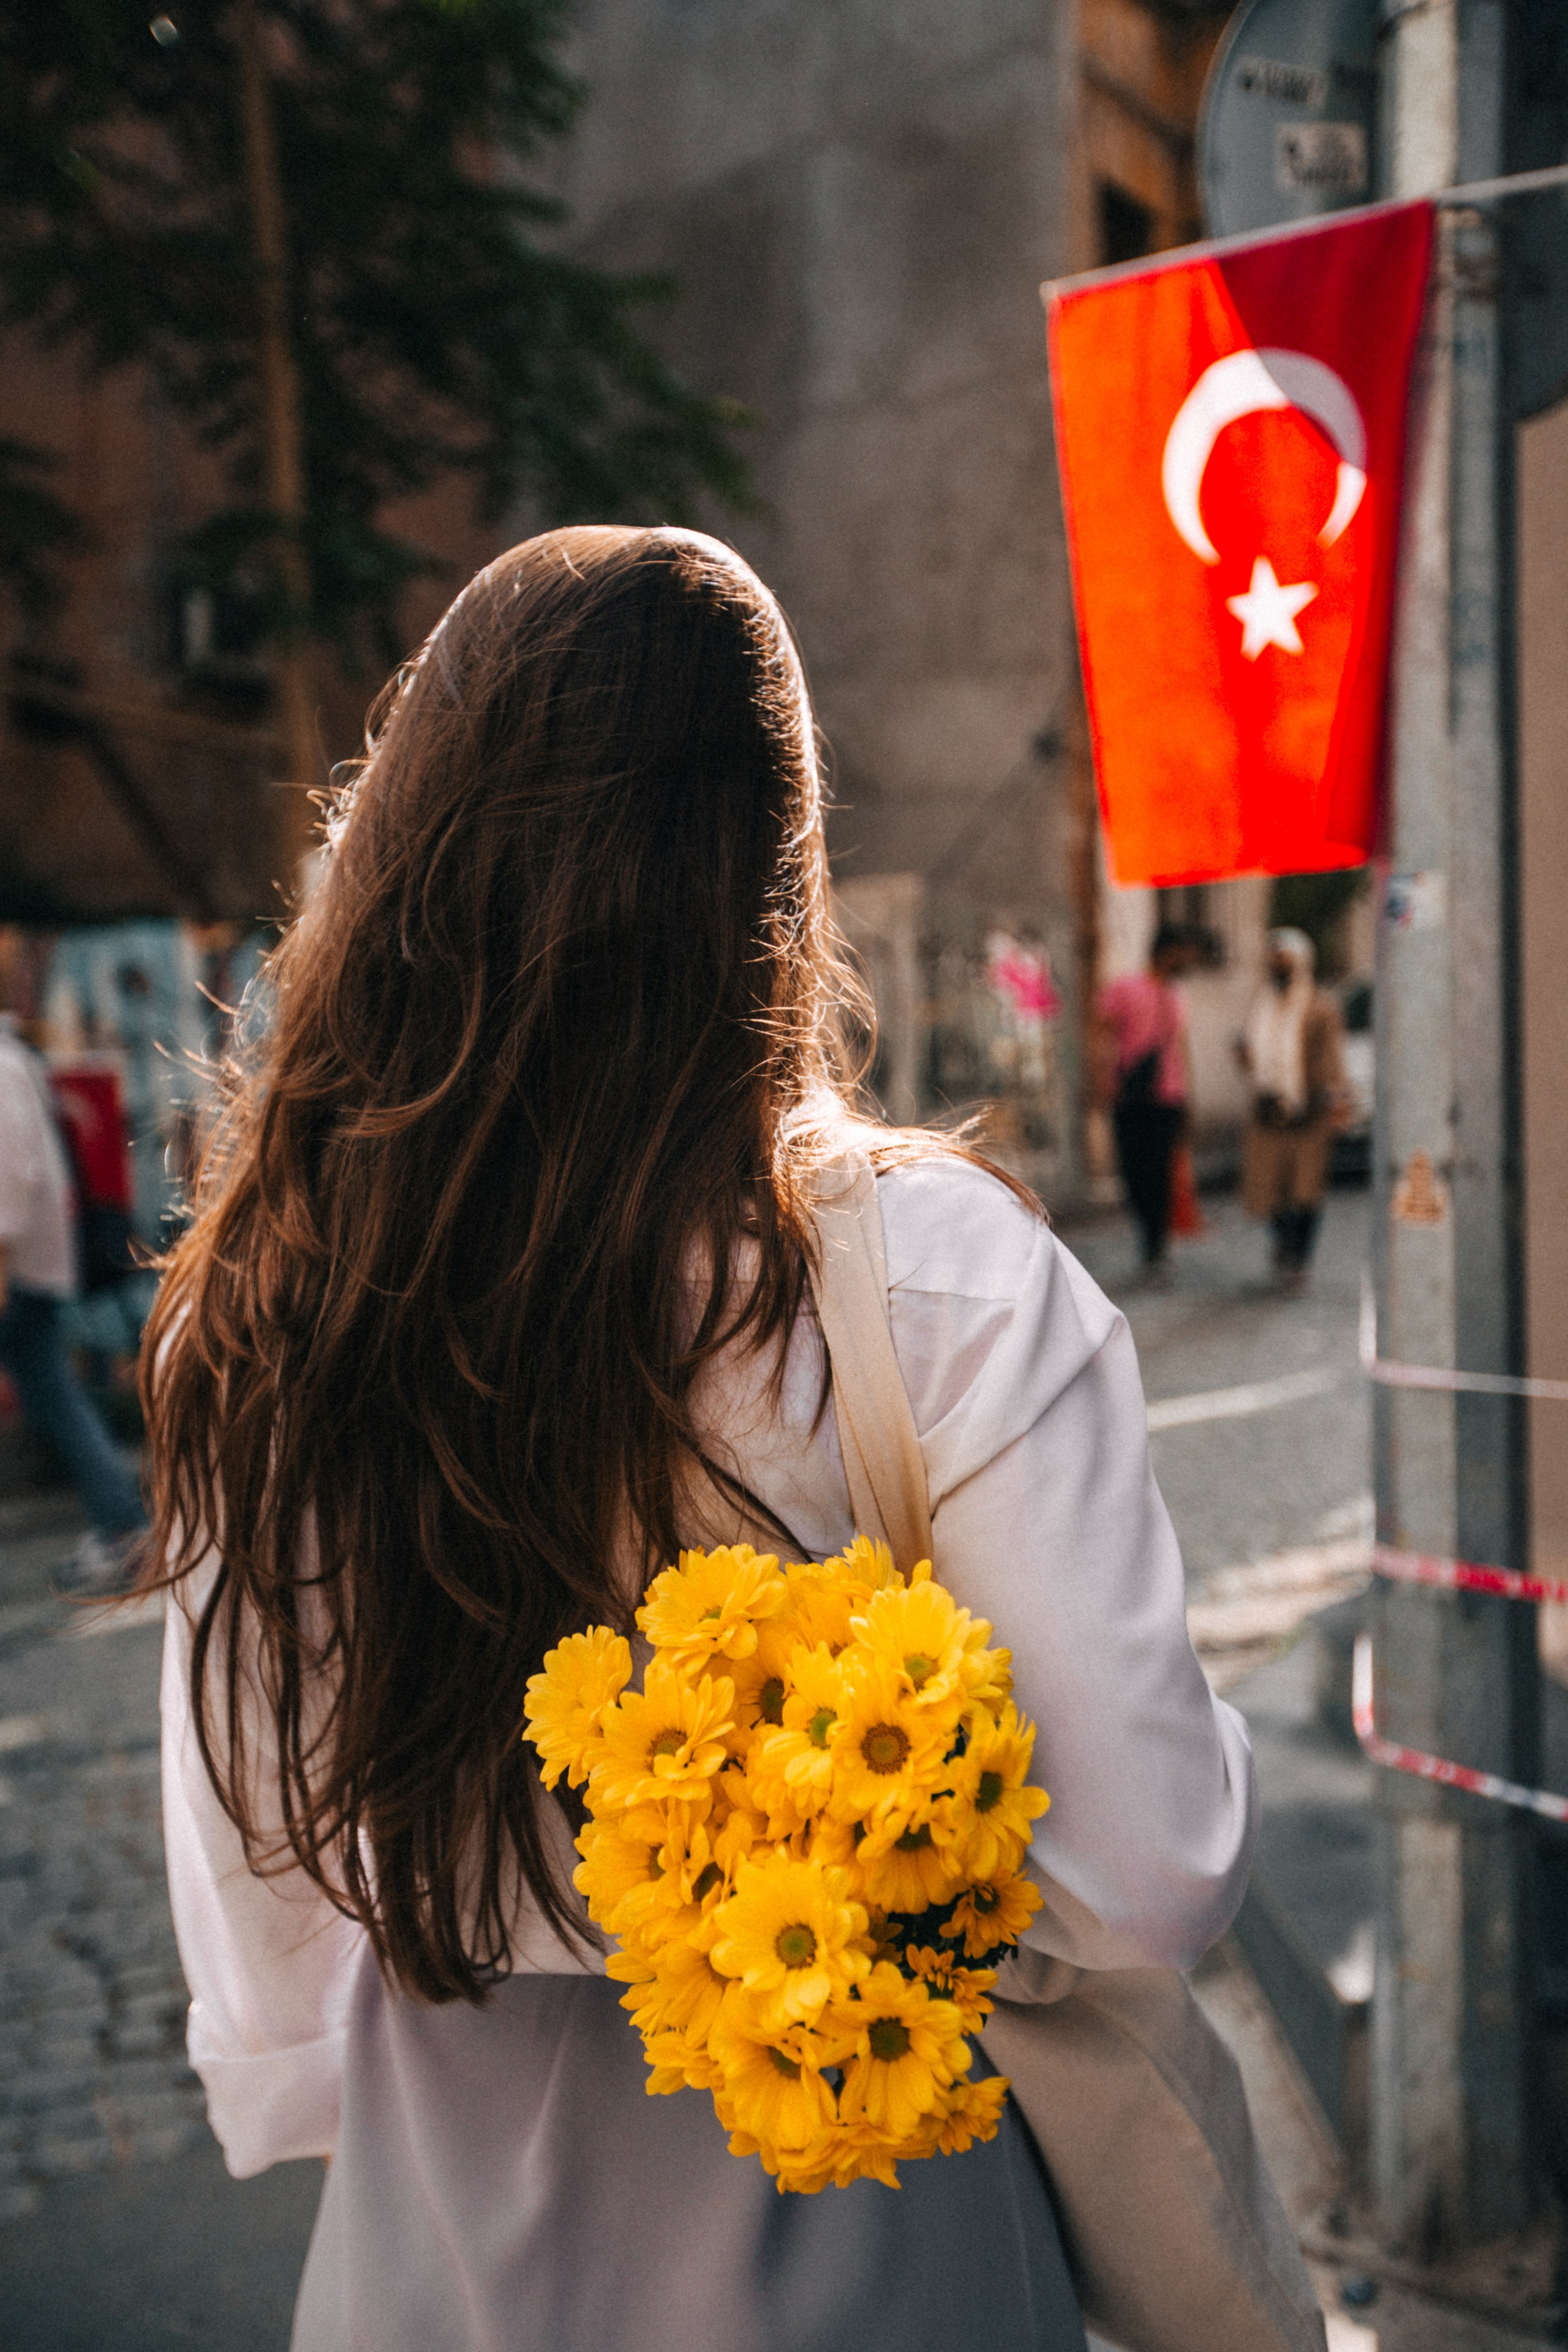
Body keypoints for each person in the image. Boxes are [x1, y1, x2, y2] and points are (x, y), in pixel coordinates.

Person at [145, 529, 1257, 2352]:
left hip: (450, 2210)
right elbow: (1151, 1865)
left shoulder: (267, 1302)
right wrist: (832, 1852)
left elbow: (261, 1895)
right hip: (873, 2192)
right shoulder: (939, 1281)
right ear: (773, 861)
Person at [0, 929, 148, 1591]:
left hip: (17, 1269)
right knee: (52, 1390)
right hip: (26, 1265)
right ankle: (122, 1525)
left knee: (53, 1392)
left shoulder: (2, 1064)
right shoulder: (16, 1058)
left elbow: (12, 1175)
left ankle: (122, 1527)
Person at [1237, 927, 1346, 1294]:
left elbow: (1332, 1058)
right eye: (1274, 960)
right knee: (1268, 1191)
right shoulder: (1261, 1006)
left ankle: (1300, 1258)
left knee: (1306, 1191)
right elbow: (1252, 1058)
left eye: (1284, 960)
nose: (1277, 967)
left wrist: (1334, 1097)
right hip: (1267, 1113)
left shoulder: (1320, 1006)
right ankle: (1284, 1243)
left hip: (1309, 1113)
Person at [1095, 923, 1196, 1284]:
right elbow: (1104, 1032)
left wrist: (1187, 1096)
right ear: (1165, 953)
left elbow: (1180, 1049)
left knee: (1160, 1175)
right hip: (1129, 1095)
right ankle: (1149, 1241)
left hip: (1166, 1096)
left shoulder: (1176, 995)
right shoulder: (1126, 988)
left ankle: (1157, 1249)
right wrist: (1105, 1079)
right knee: (1135, 1173)